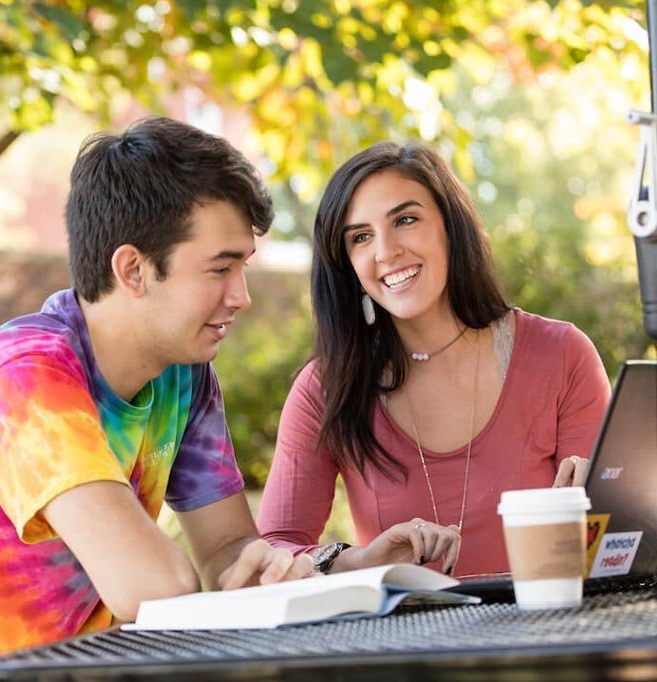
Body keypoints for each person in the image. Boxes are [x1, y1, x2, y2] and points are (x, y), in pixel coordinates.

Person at [0, 117, 312, 682]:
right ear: (133, 269)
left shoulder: (184, 377)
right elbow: (150, 587)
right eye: (221, 268)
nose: (242, 296)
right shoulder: (24, 378)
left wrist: (262, 570)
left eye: (243, 267)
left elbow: (225, 547)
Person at [257, 141, 612, 578]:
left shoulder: (561, 356)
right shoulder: (326, 387)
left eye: (405, 220)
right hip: (404, 642)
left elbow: (614, 543)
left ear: (450, 227)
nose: (386, 251)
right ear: (347, 263)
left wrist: (609, 499)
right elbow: (275, 550)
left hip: (548, 637)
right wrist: (362, 561)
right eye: (361, 237)